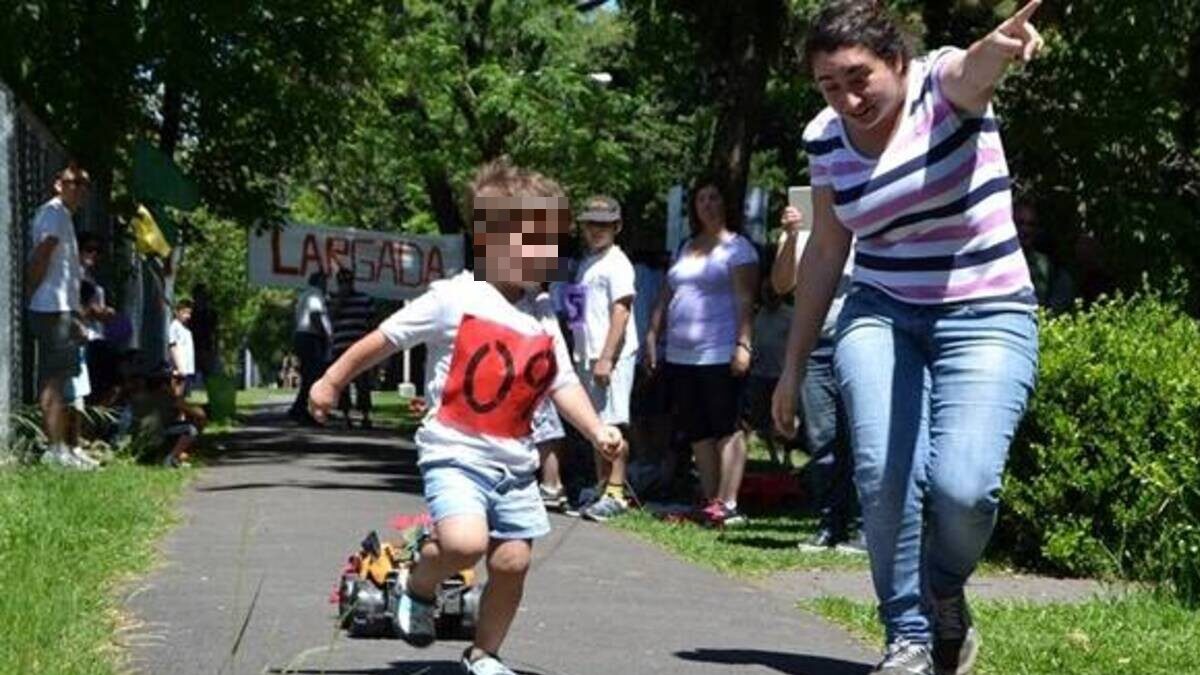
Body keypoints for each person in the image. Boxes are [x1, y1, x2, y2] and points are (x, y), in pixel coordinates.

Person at [771, 2, 1044, 673]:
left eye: (859, 77)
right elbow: (828, 249)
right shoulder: (827, 136)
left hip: (987, 312)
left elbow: (972, 70)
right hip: (882, 310)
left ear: (896, 59)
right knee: (881, 469)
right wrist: (792, 363)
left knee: (965, 487)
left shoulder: (941, 86)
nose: (848, 98)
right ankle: (909, 633)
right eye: (830, 86)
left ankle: (944, 588)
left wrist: (1000, 47)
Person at [308, 160, 623, 675]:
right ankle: (417, 584)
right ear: (493, 240)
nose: (550, 253)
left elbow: (562, 383)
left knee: (512, 563)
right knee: (464, 544)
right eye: (536, 241)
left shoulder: (541, 315)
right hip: (455, 451)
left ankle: (484, 654)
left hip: (514, 463)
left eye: (553, 242)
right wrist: (332, 379)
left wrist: (596, 430)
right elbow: (386, 338)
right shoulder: (454, 297)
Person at [645, 177, 759, 527]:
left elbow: (745, 299)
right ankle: (711, 501)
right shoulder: (685, 246)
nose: (707, 205)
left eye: (713, 197)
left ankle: (730, 501)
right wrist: (652, 334)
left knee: (726, 425)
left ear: (724, 203)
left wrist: (743, 344)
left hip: (720, 349)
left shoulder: (738, 249)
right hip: (681, 353)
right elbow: (667, 295)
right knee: (698, 429)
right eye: (701, 200)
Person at [770, 206, 862, 553]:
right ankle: (829, 525)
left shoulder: (864, 211)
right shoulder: (804, 218)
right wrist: (792, 237)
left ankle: (865, 528)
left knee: (861, 436)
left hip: (860, 339)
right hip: (815, 344)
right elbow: (781, 284)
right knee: (822, 437)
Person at [568, 195, 638, 522]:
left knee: (611, 424)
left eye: (603, 224)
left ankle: (615, 490)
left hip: (610, 354)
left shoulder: (617, 263)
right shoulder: (587, 262)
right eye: (590, 224)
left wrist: (607, 357)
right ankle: (600, 487)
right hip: (588, 352)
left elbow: (621, 311)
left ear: (617, 227)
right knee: (595, 425)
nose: (596, 230)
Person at [26, 162, 94, 470]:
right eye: (73, 182)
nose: (79, 188)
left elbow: (67, 273)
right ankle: (54, 450)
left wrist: (77, 313)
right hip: (50, 308)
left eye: (83, 184)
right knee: (53, 380)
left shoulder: (64, 215)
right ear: (58, 184)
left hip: (62, 308)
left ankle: (64, 448)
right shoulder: (53, 213)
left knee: (64, 378)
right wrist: (30, 292)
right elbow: (43, 253)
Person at [743, 279, 795, 468]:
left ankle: (787, 456)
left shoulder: (790, 315)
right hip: (759, 374)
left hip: (779, 375)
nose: (769, 296)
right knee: (760, 418)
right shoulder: (758, 315)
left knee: (782, 419)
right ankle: (772, 456)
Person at [330, 268, 376, 428]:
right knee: (342, 384)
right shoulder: (333, 299)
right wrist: (339, 301)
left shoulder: (365, 299)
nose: (345, 285)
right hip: (341, 348)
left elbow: (371, 323)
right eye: (342, 282)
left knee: (363, 383)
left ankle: (365, 416)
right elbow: (329, 318)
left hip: (360, 348)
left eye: (348, 282)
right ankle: (346, 416)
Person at [1014, 201, 1073, 312]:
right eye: (1020, 223)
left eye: (1030, 224)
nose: (1025, 230)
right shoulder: (996, 261)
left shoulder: (1049, 267)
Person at [289, 271, 332, 425]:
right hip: (311, 338)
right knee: (312, 376)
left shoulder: (303, 295)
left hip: (302, 336)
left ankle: (301, 408)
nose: (327, 285)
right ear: (319, 282)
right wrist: (324, 336)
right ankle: (301, 409)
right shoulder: (315, 294)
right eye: (325, 281)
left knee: (309, 375)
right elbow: (315, 316)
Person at [168, 300, 197, 397]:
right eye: (184, 313)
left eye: (189, 313)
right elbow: (173, 346)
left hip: (186, 368)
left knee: (181, 395)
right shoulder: (174, 326)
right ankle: (177, 412)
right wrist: (179, 366)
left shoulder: (186, 329)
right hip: (179, 368)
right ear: (177, 312)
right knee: (176, 395)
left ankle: (180, 412)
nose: (187, 316)